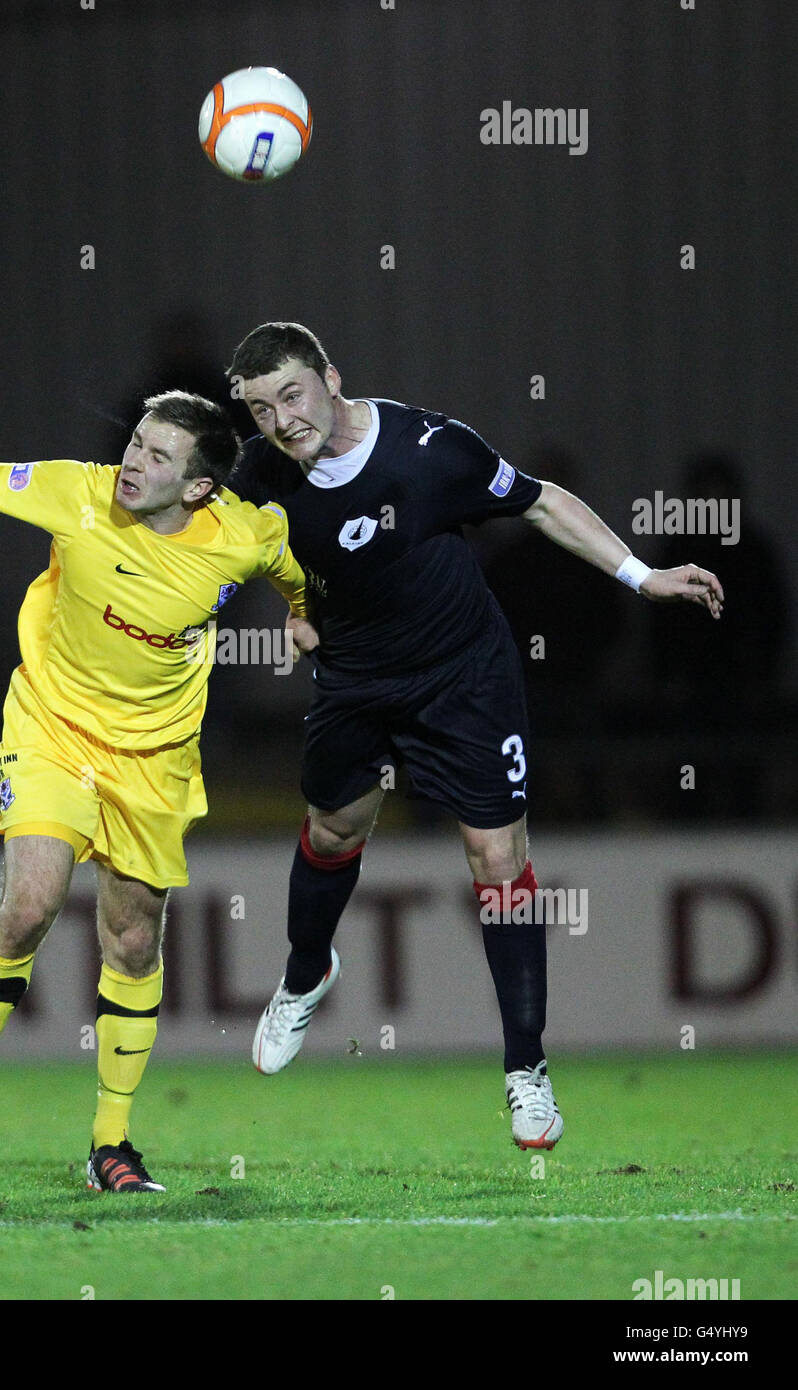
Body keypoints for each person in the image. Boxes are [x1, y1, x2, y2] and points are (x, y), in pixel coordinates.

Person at [226, 322, 723, 1151]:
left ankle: (526, 1072)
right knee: (332, 828)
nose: (280, 420)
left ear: (330, 379)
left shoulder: (430, 449)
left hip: (463, 677)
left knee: (497, 861)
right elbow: (223, 549)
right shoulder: (260, 469)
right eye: (259, 408)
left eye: (291, 394)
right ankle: (307, 974)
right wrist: (295, 604)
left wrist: (643, 576)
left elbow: (541, 501)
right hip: (356, 676)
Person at [0, 390, 310, 1191]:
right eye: (137, 442)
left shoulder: (246, 534)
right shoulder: (81, 492)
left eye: (159, 456)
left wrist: (305, 615)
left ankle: (111, 1144)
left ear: (199, 487)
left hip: (156, 759)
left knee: (133, 939)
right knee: (29, 905)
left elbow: (299, 573)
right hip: (52, 730)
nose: (135, 461)